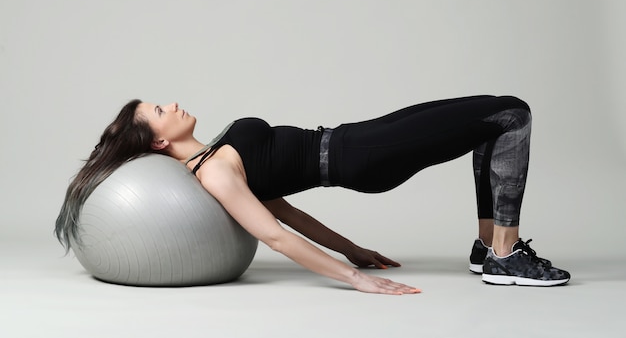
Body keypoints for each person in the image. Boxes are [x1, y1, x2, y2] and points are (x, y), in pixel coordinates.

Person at [55, 95, 570, 294]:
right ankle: (504, 253)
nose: (171, 102)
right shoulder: (211, 174)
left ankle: (489, 248)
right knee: (511, 114)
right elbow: (274, 235)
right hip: (362, 155)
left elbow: (288, 210)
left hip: (355, 137)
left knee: (493, 122)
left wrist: (354, 249)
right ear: (161, 139)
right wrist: (353, 280)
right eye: (160, 110)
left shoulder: (214, 156)